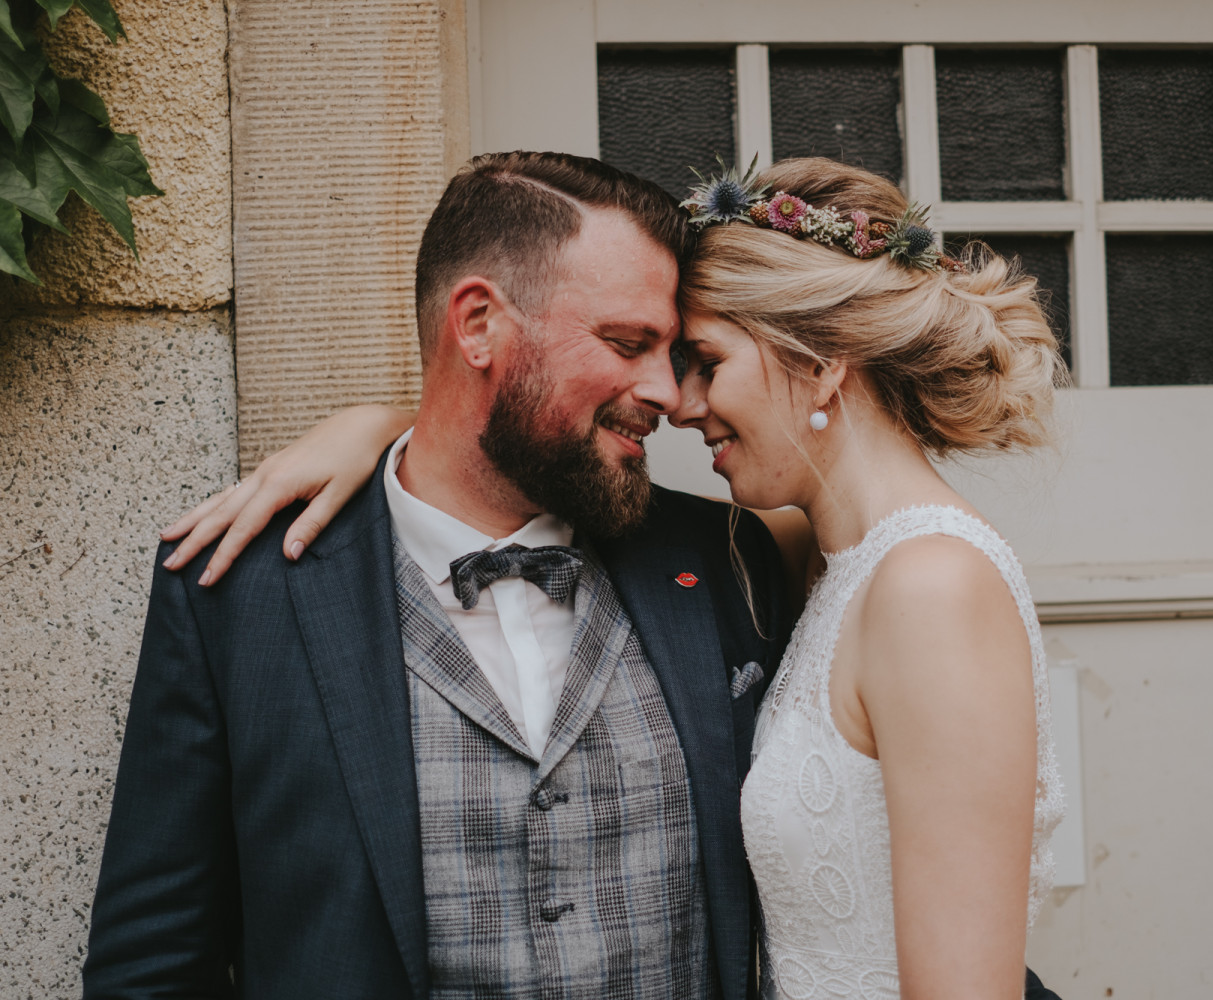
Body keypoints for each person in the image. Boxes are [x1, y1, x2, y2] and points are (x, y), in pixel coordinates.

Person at [130, 153, 1069, 999]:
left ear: (821, 365)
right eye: (631, 345)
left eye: (693, 358)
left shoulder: (737, 560)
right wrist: (380, 429)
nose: (669, 396)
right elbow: (154, 960)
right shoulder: (242, 595)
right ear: (478, 325)